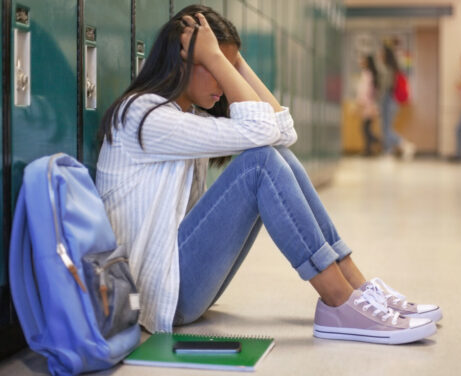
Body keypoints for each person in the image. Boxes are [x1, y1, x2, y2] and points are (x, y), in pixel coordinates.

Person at [96, 5, 441, 345]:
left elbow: (282, 131)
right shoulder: (143, 117)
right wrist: (219, 59)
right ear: (183, 61)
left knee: (276, 155)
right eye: (215, 68)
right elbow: (262, 131)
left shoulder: (187, 118)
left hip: (176, 283)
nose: (223, 81)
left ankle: (356, 289)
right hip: (154, 296)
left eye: (229, 69)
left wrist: (229, 59)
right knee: (260, 163)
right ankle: (338, 301)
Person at [378, 45, 415, 159]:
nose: (379, 56)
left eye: (381, 54)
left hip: (389, 100)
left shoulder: (388, 69)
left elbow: (386, 87)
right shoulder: (394, 69)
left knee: (387, 128)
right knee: (385, 127)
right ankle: (388, 151)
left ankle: (405, 144)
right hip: (392, 101)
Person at [355, 55, 380, 156]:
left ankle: (375, 143)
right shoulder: (371, 75)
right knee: (366, 128)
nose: (361, 63)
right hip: (369, 104)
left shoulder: (367, 75)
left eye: (363, 61)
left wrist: (361, 102)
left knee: (365, 128)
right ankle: (369, 149)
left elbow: (365, 91)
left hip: (367, 105)